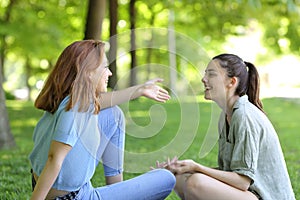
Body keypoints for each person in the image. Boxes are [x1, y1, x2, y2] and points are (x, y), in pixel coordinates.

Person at [29, 40, 176, 200]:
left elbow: (106, 101)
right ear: (88, 72)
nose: (110, 73)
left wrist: (140, 89)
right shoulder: (76, 106)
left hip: (59, 188)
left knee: (113, 114)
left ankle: (116, 189)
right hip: (73, 197)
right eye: (105, 67)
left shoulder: (70, 98)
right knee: (166, 178)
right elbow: (54, 158)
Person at [156, 54, 295, 200]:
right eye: (205, 74)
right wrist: (181, 168)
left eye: (211, 74)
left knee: (196, 183)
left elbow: (242, 182)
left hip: (263, 196)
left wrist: (197, 168)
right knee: (178, 178)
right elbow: (226, 172)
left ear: (232, 82)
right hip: (248, 194)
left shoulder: (245, 116)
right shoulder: (226, 116)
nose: (204, 79)